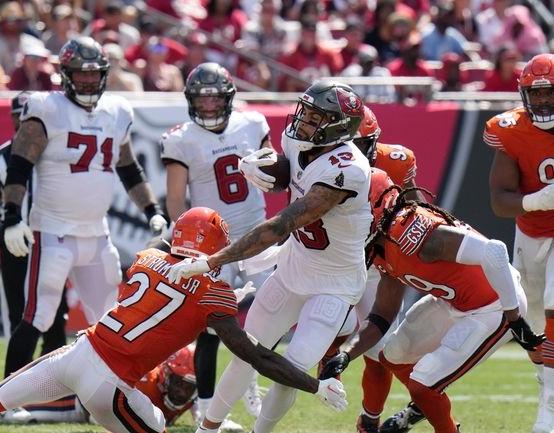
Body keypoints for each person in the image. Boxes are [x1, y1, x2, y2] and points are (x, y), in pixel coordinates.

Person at [0, 207, 347, 433]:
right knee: (154, 425)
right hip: (111, 381)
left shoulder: (148, 257)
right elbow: (253, 355)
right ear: (215, 246)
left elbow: (169, 280)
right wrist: (313, 384)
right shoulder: (214, 293)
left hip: (77, 351)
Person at [170, 80, 371, 433]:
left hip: (333, 285)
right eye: (304, 112)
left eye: (314, 117)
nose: (303, 121)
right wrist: (265, 169)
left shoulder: (348, 168)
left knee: (291, 370)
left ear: (338, 127)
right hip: (294, 267)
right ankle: (208, 428)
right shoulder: (298, 140)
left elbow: (281, 224)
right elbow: (291, 175)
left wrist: (214, 260)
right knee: (247, 353)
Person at [0, 36, 169, 386]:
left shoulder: (117, 110)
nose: (89, 81)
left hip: (97, 233)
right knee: (39, 316)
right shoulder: (47, 107)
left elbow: (128, 167)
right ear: (66, 74)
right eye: (82, 74)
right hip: (53, 230)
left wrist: (152, 209)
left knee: (110, 318)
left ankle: (109, 392)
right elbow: (19, 165)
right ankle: (5, 395)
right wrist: (12, 215)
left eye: (95, 75)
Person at [319, 173, 543, 433]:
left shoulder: (410, 231)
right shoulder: (382, 244)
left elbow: (495, 251)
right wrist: (345, 355)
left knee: (423, 384)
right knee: (394, 355)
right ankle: (424, 404)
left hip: (493, 305)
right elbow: (381, 315)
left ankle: (438, 415)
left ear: (376, 210)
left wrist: (514, 317)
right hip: (455, 303)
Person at [161, 62, 271, 427]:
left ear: (228, 98)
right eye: (201, 99)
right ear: (191, 100)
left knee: (262, 319)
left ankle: (251, 383)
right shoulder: (182, 137)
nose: (208, 106)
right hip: (212, 241)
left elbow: (276, 171)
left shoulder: (253, 124)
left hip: (257, 234)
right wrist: (185, 242)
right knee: (209, 325)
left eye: (214, 98)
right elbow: (176, 198)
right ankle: (205, 408)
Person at [341, 105, 423, 433]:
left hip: (379, 262)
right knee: (329, 335)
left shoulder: (397, 161)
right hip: (337, 261)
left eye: (359, 146)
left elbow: (416, 207)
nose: (351, 155)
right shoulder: (323, 163)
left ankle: (370, 421)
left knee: (380, 351)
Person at [484, 52, 554, 433]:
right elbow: (499, 200)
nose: (542, 101)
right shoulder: (509, 128)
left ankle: (549, 412)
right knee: (535, 321)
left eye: (549, 93)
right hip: (531, 231)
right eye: (535, 94)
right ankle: (548, 384)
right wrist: (538, 200)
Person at [0, 91, 67, 349]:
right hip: (16, 241)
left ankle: (53, 380)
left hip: (52, 237)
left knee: (55, 314)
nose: (26, 120)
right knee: (17, 312)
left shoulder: (59, 150)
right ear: (13, 118)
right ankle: (18, 378)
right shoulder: (0, 158)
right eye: (21, 115)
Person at [0, 345, 200, 425]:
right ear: (165, 375)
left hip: (86, 397)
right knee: (7, 410)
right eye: (178, 384)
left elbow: (201, 408)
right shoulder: (147, 381)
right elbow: (104, 411)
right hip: (81, 398)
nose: (181, 392)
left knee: (4, 406)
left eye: (188, 387)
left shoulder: (190, 394)